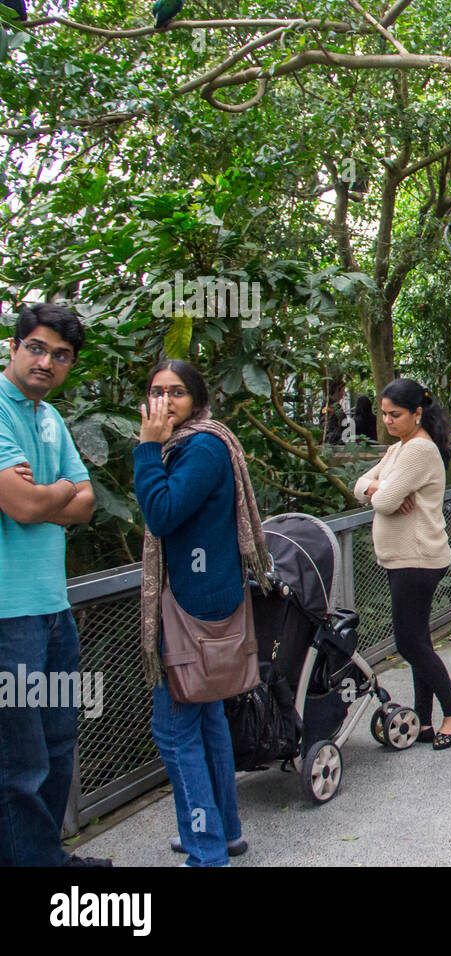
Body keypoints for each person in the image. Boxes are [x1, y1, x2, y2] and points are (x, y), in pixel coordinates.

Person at [135, 359, 268, 867]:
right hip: (205, 601)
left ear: (197, 400)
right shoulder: (194, 444)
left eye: (177, 393)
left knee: (174, 729)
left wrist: (147, 449)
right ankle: (224, 832)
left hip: (192, 609)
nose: (165, 402)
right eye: (156, 392)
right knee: (208, 714)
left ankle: (205, 851)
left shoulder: (202, 445)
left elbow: (163, 512)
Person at [0, 304, 102, 867]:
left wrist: (48, 494)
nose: (47, 361)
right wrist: (56, 491)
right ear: (14, 347)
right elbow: (20, 505)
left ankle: (49, 859)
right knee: (19, 763)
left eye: (60, 355)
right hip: (7, 615)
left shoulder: (49, 418)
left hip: (53, 610)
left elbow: (85, 507)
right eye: (36, 348)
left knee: (60, 742)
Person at [354, 380, 451, 749]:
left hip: (417, 558)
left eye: (395, 414)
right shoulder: (399, 449)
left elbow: (386, 502)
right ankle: (424, 721)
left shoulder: (418, 449)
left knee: (410, 643)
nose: (387, 420)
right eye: (384, 413)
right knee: (417, 639)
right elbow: (362, 485)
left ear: (418, 413)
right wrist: (377, 490)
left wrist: (381, 492)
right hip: (403, 558)